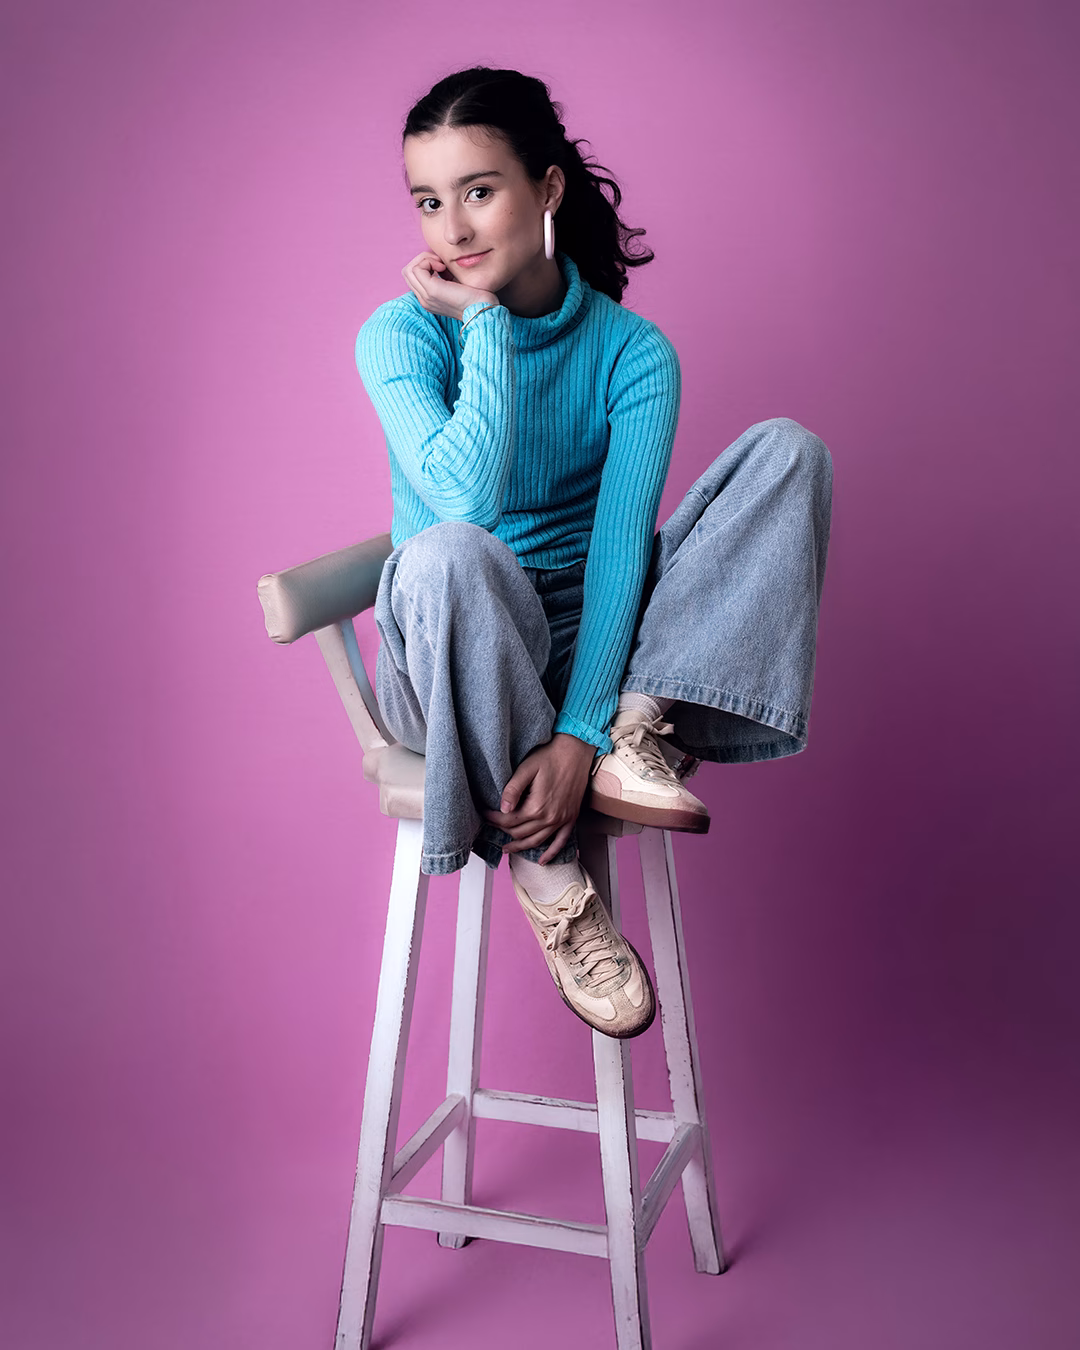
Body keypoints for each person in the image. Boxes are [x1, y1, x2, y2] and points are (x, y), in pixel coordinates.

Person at [355, 66, 833, 1041]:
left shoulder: (632, 352)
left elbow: (619, 553)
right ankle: (548, 875)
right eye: (429, 202)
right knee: (452, 552)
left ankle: (633, 734)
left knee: (790, 452)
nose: (452, 228)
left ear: (547, 189)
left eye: (478, 191)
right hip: (448, 651)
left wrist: (582, 734)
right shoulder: (400, 336)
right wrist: (484, 323)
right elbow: (466, 501)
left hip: (589, 653)